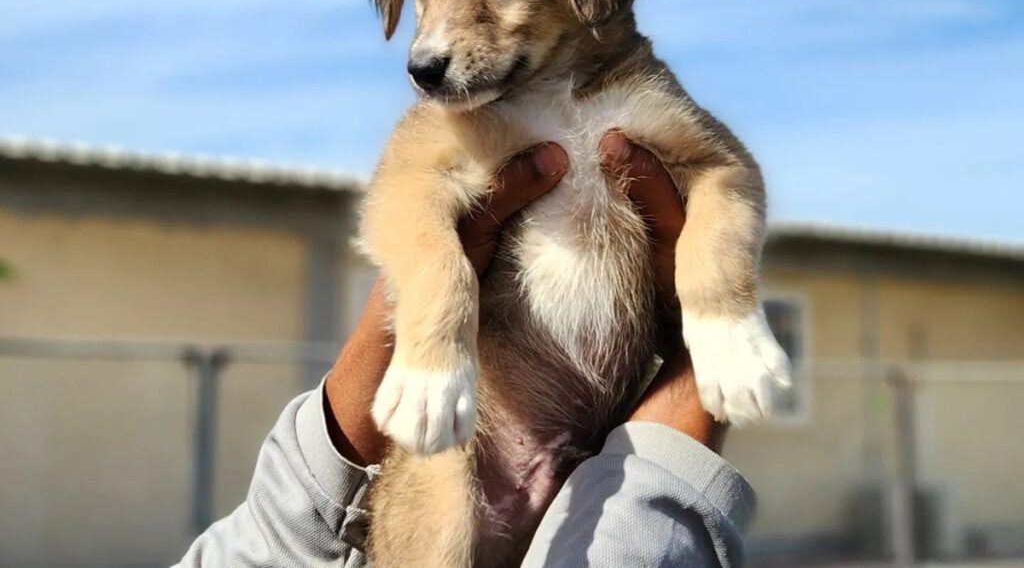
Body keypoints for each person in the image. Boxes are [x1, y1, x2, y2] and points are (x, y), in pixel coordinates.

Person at [176, 132, 756, 567]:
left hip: (593, 449)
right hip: (466, 465)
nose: (430, 46)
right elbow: (402, 189)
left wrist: (717, 302)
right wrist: (698, 367)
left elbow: (723, 174)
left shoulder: (633, 85)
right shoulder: (465, 115)